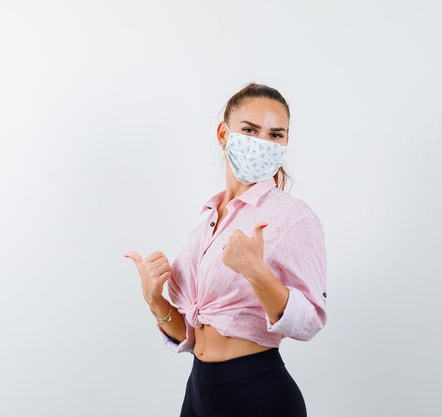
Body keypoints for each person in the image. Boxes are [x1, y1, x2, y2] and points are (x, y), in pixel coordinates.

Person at [124, 82, 328, 417]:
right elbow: (194, 335)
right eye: (250, 130)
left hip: (258, 394)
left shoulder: (294, 217)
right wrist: (155, 298)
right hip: (200, 391)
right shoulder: (207, 220)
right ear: (223, 133)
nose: (262, 143)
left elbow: (310, 322)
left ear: (286, 142)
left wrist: (256, 272)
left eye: (275, 135)